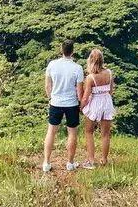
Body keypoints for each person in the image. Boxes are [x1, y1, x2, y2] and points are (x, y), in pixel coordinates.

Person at [43, 39, 84, 173]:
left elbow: (48, 86)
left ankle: (47, 162)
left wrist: (51, 98)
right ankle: (70, 163)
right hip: (71, 103)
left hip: (55, 102)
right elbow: (79, 91)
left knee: (51, 132)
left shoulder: (52, 65)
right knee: (72, 133)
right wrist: (81, 104)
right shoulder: (77, 68)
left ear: (62, 50)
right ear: (72, 52)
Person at [80, 48, 115, 168]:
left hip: (95, 103)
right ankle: (104, 159)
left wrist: (81, 108)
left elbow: (85, 97)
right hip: (107, 101)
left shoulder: (91, 77)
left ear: (91, 60)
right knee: (105, 134)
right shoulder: (109, 73)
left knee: (89, 132)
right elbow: (111, 91)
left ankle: (91, 161)